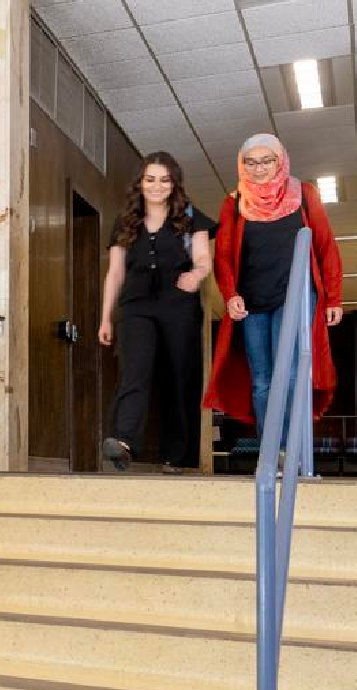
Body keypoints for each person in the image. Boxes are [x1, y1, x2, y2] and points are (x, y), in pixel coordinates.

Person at [204, 133, 343, 448]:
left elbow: (326, 247)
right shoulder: (234, 202)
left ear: (280, 161)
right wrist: (230, 295)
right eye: (250, 162)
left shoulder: (304, 194)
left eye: (266, 161)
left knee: (291, 373)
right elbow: (223, 256)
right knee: (263, 381)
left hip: (293, 297)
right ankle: (273, 450)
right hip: (252, 303)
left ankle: (295, 447)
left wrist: (334, 296)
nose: (258, 168)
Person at [99, 151, 214, 473]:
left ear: (174, 183)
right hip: (136, 305)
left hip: (179, 303)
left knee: (179, 376)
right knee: (134, 372)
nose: (156, 186)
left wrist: (196, 275)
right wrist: (106, 317)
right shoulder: (125, 223)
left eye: (164, 180)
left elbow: (204, 258)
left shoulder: (191, 219)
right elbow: (115, 273)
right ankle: (123, 443)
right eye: (150, 179)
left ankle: (176, 455)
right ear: (140, 182)